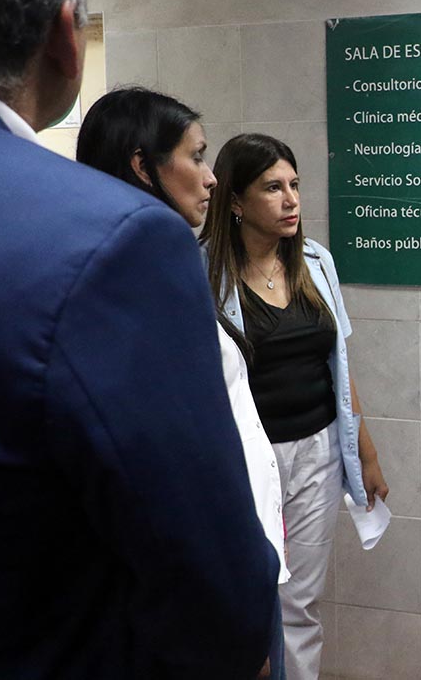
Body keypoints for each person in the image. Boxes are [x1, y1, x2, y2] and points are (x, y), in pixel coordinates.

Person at [0, 0, 278, 678]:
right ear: (65, 32)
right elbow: (202, 560)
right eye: (197, 157)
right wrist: (245, 637)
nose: (212, 176)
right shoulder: (118, 242)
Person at [76, 86, 291, 680]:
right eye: (196, 157)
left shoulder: (146, 264)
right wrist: (233, 610)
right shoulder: (139, 280)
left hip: (235, 560)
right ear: (143, 166)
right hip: (208, 584)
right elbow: (177, 465)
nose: (211, 177)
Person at [201, 132, 390, 680]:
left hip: (319, 452)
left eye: (295, 185)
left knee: (299, 602)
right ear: (236, 200)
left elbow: (340, 366)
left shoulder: (315, 262)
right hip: (244, 459)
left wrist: (367, 455)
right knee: (246, 592)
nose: (291, 200)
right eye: (272, 188)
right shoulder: (202, 271)